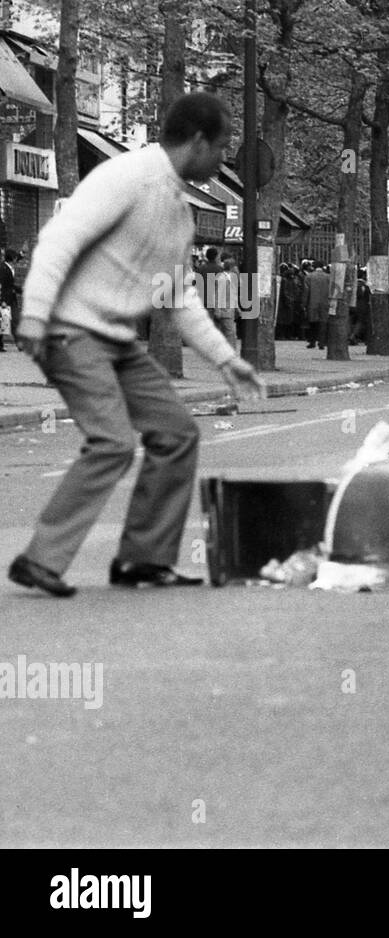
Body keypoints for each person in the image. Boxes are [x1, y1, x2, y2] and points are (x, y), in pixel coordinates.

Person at [8, 91, 265, 598]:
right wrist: (35, 318)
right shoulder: (127, 177)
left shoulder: (178, 207)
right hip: (70, 329)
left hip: (119, 342)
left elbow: (179, 295)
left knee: (176, 434)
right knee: (112, 442)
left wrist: (227, 359)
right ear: (197, 141)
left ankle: (144, 560)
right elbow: (59, 241)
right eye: (222, 147)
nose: (224, 159)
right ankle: (41, 559)